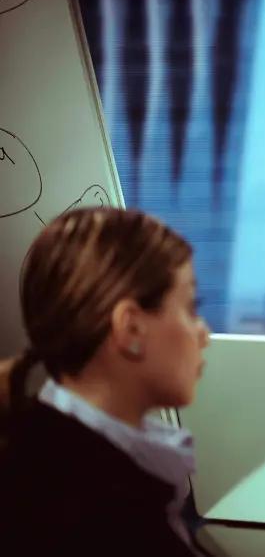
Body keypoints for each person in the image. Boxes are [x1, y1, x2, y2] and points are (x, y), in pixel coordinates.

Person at [0, 208, 209, 556]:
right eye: (190, 307)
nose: (203, 333)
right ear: (130, 330)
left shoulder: (43, 452)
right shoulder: (98, 516)